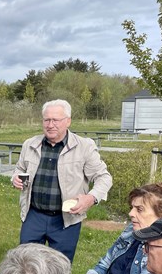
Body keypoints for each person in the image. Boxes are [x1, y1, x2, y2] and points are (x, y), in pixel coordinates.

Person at [12, 99, 112, 262]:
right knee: (26, 265)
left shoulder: (84, 147)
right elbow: (19, 169)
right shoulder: (30, 144)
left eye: (56, 120)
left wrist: (91, 198)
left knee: (60, 268)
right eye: (47, 120)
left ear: (68, 121)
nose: (50, 125)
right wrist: (15, 177)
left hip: (66, 220)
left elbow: (104, 177)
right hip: (34, 216)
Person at [70, 182, 162, 274]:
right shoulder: (132, 230)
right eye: (132, 208)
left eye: (139, 209)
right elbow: (105, 262)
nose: (131, 214)